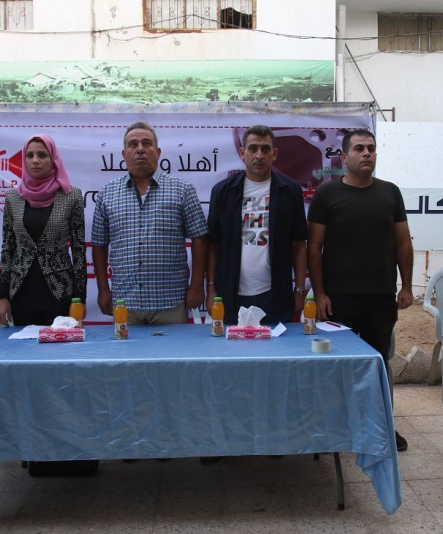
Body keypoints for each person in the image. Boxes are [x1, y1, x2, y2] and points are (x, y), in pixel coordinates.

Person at [307, 129, 414, 452]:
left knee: (377, 364)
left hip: (380, 298)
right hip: (338, 300)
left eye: (371, 148)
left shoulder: (390, 193)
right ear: (344, 156)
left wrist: (407, 286)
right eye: (359, 148)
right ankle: (336, 428)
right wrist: (320, 293)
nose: (366, 153)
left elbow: (403, 243)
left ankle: (382, 425)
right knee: (336, 367)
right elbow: (314, 249)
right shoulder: (327, 195)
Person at [92, 121, 208, 324]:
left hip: (170, 302)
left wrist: (197, 285)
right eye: (133, 144)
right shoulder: (106, 194)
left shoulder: (182, 190)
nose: (140, 149)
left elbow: (200, 238)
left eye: (147, 143)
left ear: (158, 151)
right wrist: (103, 289)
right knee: (125, 347)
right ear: (124, 154)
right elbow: (99, 245)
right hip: (125, 303)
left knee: (174, 347)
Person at [206, 125, 308, 324]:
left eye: (265, 149)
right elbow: (213, 245)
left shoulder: (290, 191)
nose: (259, 155)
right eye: (253, 149)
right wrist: (211, 289)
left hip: (275, 295)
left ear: (274, 154)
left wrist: (299, 290)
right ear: (242, 153)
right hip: (231, 295)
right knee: (233, 344)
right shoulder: (223, 192)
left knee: (277, 344)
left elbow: (299, 245)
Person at [0, 134, 87, 327]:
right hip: (21, 292)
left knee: (60, 344)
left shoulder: (71, 196)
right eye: (30, 155)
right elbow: (7, 248)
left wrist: (80, 298)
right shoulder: (13, 198)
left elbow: (79, 250)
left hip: (60, 292)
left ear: (53, 159)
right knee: (24, 345)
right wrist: (2, 296)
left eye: (42, 155)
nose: (35, 160)